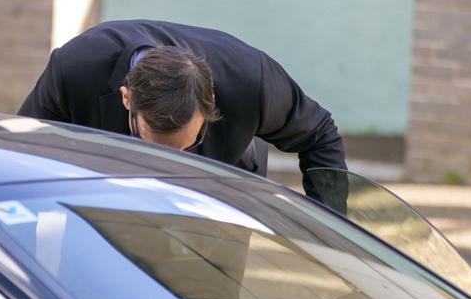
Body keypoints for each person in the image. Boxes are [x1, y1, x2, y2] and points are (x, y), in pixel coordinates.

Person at [18, 19, 346, 199]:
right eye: (152, 145)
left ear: (211, 104)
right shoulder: (76, 69)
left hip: (217, 196)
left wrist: (330, 246)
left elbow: (320, 134)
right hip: (106, 199)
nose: (166, 164)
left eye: (186, 145)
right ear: (126, 99)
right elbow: (16, 154)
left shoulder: (250, 79)